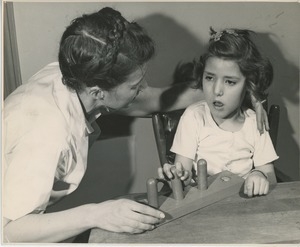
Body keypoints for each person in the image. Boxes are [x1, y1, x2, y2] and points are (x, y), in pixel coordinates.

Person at [3, 7, 268, 243]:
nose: (142, 89)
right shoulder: (46, 133)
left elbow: (153, 99)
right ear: (98, 92)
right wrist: (96, 213)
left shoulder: (74, 71)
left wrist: (250, 91)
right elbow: (10, 231)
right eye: (134, 86)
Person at [159, 27, 278, 198]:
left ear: (248, 85)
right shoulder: (194, 117)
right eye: (209, 78)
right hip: (200, 207)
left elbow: (269, 174)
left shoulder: (255, 122)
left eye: (230, 82)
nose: (217, 90)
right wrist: (176, 176)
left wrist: (259, 175)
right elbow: (182, 171)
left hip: (243, 209)